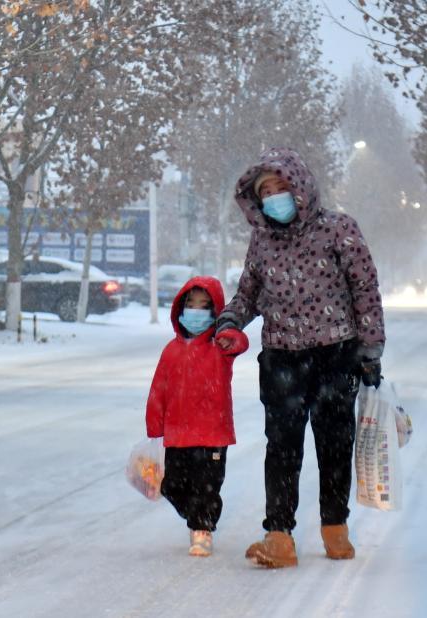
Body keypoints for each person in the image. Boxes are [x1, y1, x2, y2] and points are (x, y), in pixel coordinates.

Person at [214, 146, 385, 568]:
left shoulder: (339, 229)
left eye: (280, 187)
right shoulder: (262, 240)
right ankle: (279, 536)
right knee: (282, 448)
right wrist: (229, 322)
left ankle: (335, 529)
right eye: (265, 191)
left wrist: (370, 348)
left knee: (334, 444)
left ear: (301, 187)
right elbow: (249, 293)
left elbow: (365, 290)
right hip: (281, 358)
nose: (274, 196)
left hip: (335, 353)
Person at [146, 276, 249, 557]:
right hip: (178, 435)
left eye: (205, 306)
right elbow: (159, 390)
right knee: (172, 484)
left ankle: (202, 528)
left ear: (215, 312)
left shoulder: (220, 347)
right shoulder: (171, 350)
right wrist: (155, 426)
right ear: (180, 309)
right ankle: (196, 513)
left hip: (213, 434)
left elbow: (241, 342)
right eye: (191, 305)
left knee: (207, 485)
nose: (196, 312)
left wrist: (230, 336)